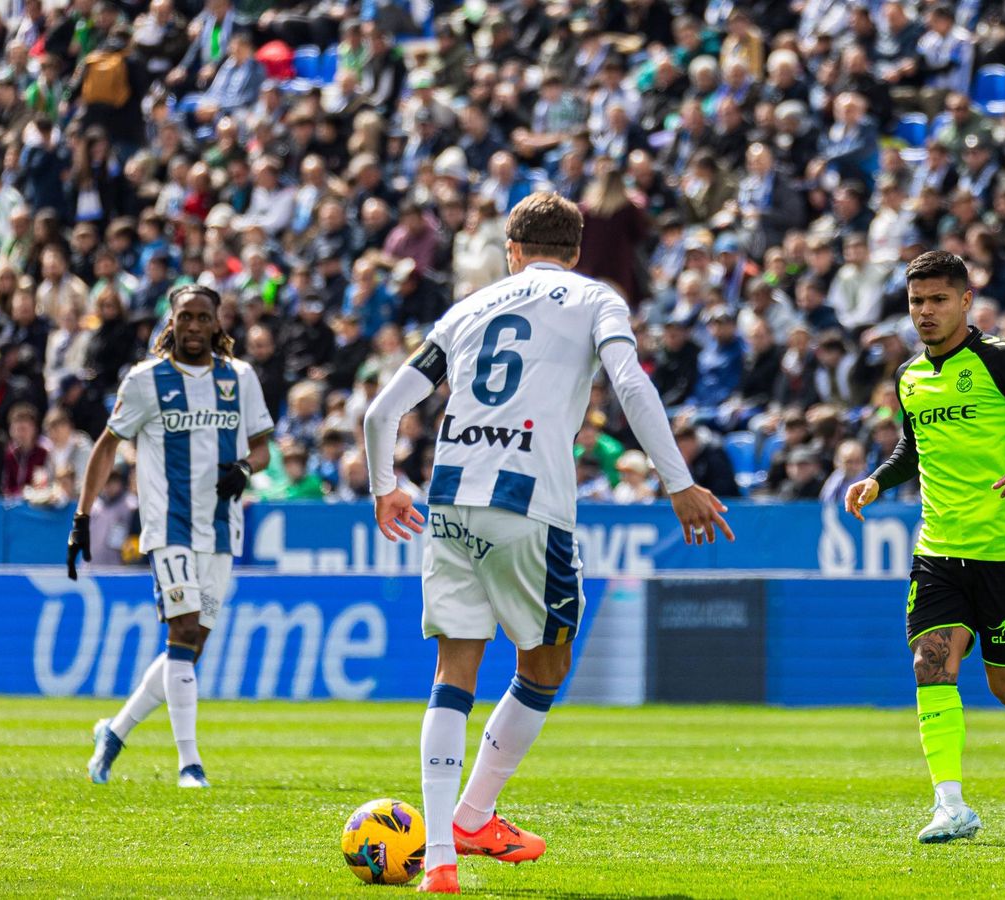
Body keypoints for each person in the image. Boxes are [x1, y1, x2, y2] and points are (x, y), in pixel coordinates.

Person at [360, 193, 733, 894]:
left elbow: (383, 412)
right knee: (546, 666)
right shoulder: (596, 298)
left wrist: (386, 487)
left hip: (449, 497)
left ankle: (440, 858)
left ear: (513, 248)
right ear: (576, 248)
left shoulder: (468, 308)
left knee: (453, 673)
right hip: (528, 502)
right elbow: (628, 381)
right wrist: (677, 481)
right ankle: (475, 814)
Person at [842, 251, 1005, 844]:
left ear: (965, 300)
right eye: (917, 301)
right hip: (938, 549)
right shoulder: (910, 378)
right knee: (930, 666)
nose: (925, 312)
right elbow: (914, 448)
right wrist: (879, 479)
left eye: (938, 299)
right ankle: (951, 804)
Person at [71, 285, 274, 789]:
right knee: (182, 633)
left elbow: (263, 448)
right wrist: (80, 516)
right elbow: (106, 447)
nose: (193, 327)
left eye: (203, 318)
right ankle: (190, 764)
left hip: (223, 529)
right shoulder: (145, 381)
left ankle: (113, 733)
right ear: (172, 322)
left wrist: (246, 468)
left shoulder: (240, 377)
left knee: (187, 648)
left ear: (216, 324)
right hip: (168, 526)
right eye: (185, 317)